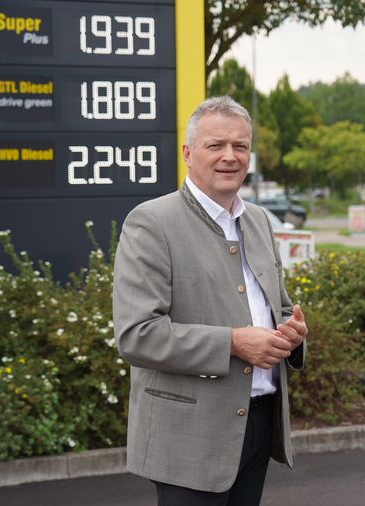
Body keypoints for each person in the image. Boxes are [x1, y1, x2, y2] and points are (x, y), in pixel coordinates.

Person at [113, 96, 307, 506]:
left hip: (258, 421)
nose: (229, 157)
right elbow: (137, 335)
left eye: (240, 146)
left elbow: (280, 307)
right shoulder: (151, 222)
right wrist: (234, 343)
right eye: (215, 145)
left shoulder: (256, 219)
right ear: (187, 153)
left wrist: (292, 332)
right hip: (190, 435)